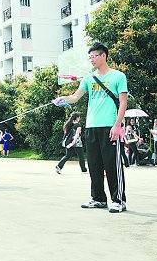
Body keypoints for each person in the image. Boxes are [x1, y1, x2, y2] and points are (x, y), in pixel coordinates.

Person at [54, 42, 128, 213]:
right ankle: (98, 199)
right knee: (94, 165)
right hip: (92, 127)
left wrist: (117, 125)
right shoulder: (88, 78)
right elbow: (75, 97)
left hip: (110, 126)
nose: (92, 60)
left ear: (104, 56)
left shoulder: (118, 76)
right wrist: (63, 99)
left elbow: (123, 103)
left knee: (112, 166)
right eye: (90, 57)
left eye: (94, 56)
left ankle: (118, 200)